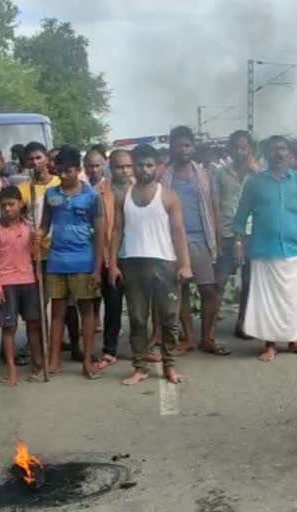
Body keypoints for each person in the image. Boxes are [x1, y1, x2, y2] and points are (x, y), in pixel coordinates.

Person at [233, 136, 297, 362]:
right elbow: (241, 216)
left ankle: (294, 341)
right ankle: (270, 344)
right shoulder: (255, 183)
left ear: (289, 153)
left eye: (282, 149)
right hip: (264, 248)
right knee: (267, 301)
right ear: (266, 154)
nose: (278, 154)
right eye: (273, 150)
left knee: (292, 298)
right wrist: (238, 243)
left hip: (294, 247)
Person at [108, 143, 191, 385]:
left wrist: (185, 265)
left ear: (157, 167)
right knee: (137, 319)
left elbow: (178, 232)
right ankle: (140, 367)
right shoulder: (123, 197)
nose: (144, 169)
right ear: (133, 167)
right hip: (133, 263)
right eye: (140, 165)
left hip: (165, 263)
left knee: (169, 319)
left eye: (149, 165)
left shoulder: (168, 197)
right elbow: (117, 232)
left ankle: (170, 365)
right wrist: (112, 264)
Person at [37, 146, 104, 379]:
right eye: (60, 171)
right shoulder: (51, 195)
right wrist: (39, 233)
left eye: (68, 171)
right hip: (56, 260)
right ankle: (54, 361)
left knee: (87, 312)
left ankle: (87, 360)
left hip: (84, 261)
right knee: (57, 312)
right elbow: (45, 225)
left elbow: (100, 234)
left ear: (78, 170)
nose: (63, 176)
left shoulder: (92, 196)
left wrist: (97, 268)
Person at [160, 126, 226, 356]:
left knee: (209, 290)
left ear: (193, 147)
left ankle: (208, 337)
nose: (183, 150)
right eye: (178, 145)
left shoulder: (205, 176)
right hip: (173, 241)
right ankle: (188, 338)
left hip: (202, 239)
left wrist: (218, 239)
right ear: (172, 148)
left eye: (187, 145)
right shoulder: (164, 178)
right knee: (181, 290)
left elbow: (215, 208)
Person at [17, 142, 70, 360]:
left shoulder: (59, 184)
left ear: (47, 159)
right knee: (38, 304)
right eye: (30, 159)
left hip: (58, 251)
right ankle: (38, 345)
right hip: (34, 253)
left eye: (38, 157)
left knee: (61, 300)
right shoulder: (23, 189)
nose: (35, 162)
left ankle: (62, 344)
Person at [0, 186, 43, 386]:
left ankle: (38, 363)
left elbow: (36, 256)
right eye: (4, 206)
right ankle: (11, 368)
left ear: (21, 204)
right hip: (7, 282)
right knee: (9, 327)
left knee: (34, 324)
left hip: (29, 280)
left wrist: (37, 242)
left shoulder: (30, 227)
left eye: (11, 204)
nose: (8, 209)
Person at [213, 130, 260, 340]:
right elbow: (215, 204)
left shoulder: (259, 173)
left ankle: (243, 323)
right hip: (227, 231)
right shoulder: (221, 173)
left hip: (253, 232)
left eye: (245, 147)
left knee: (249, 280)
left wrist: (257, 173)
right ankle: (210, 325)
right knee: (220, 280)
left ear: (251, 149)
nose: (241, 152)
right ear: (230, 149)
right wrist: (216, 233)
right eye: (237, 147)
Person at [87, 148, 129, 369]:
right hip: (109, 256)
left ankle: (145, 348)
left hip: (136, 255)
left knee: (141, 306)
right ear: (109, 167)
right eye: (119, 166)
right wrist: (106, 262)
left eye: (127, 166)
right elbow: (99, 230)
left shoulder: (141, 190)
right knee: (112, 305)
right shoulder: (98, 192)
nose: (123, 171)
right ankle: (110, 350)